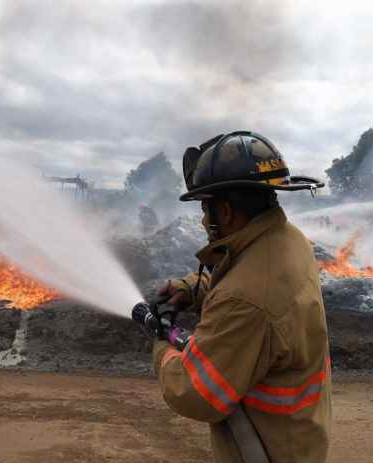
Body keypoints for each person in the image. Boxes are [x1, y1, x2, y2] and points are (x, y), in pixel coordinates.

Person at [153, 131, 331, 463]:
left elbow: (198, 393)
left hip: (266, 450)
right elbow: (247, 272)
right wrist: (191, 287)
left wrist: (162, 346)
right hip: (298, 437)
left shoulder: (245, 299)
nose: (205, 221)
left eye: (207, 209)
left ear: (227, 211)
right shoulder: (288, 241)